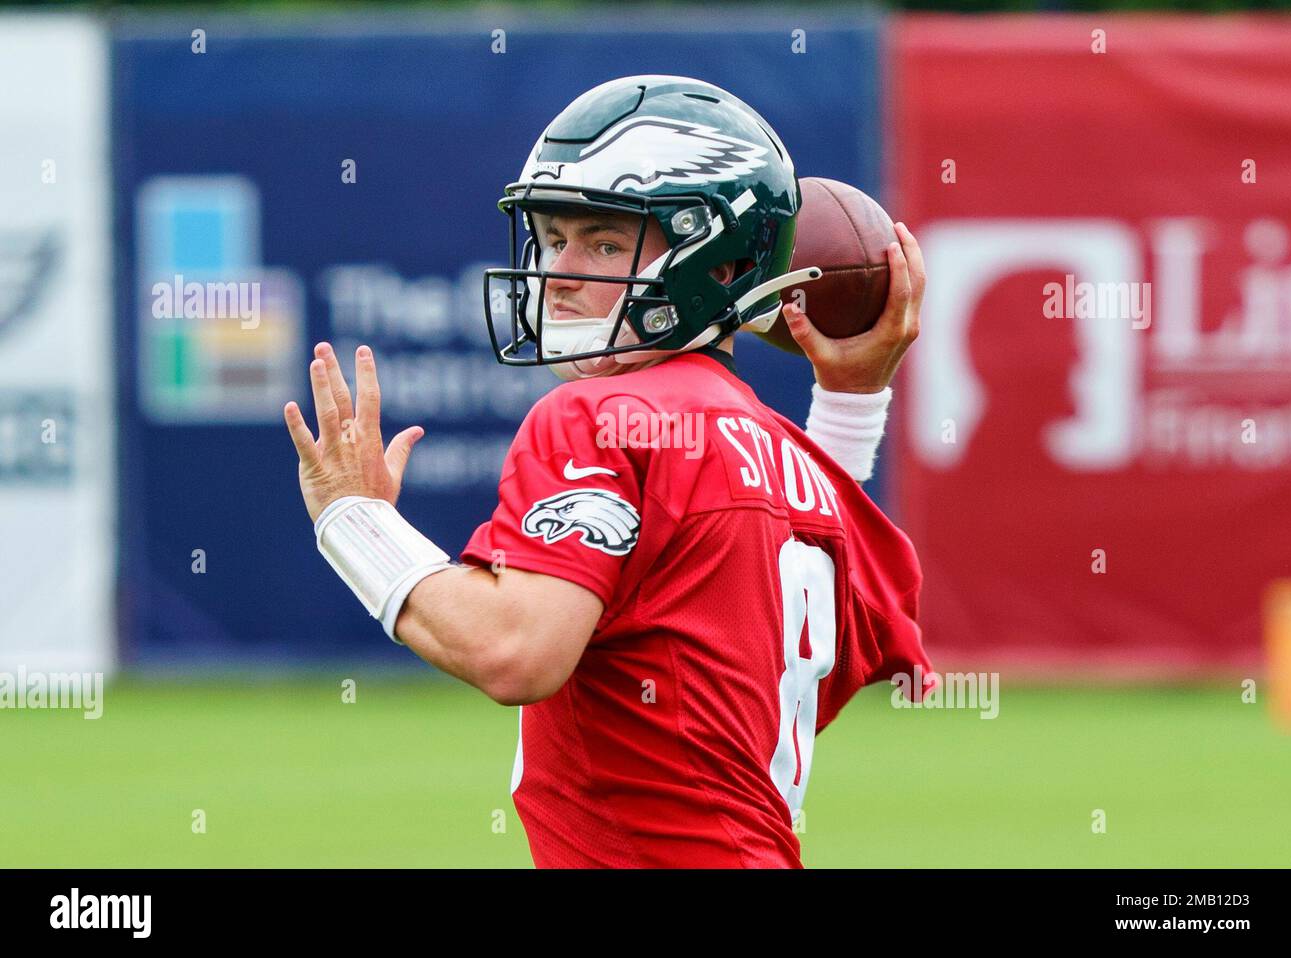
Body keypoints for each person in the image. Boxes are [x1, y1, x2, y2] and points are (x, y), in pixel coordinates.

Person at [283, 75, 932, 868]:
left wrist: (355, 521)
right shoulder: (794, 460)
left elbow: (515, 651)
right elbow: (828, 628)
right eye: (553, 238)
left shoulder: (597, 417)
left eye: (602, 240)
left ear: (720, 266)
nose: (558, 272)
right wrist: (852, 400)